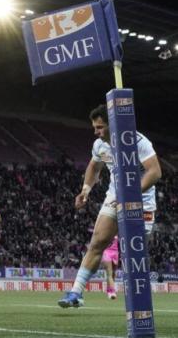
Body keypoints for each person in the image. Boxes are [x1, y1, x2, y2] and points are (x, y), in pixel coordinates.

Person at [59, 104, 161, 308]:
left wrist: (129, 194)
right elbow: (94, 166)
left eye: (100, 127)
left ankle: (139, 302)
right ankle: (76, 293)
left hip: (142, 203)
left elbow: (155, 172)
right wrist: (86, 189)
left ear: (113, 125)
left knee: (136, 253)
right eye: (95, 127)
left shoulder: (138, 141)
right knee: (97, 241)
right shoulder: (100, 145)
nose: (96, 132)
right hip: (114, 198)